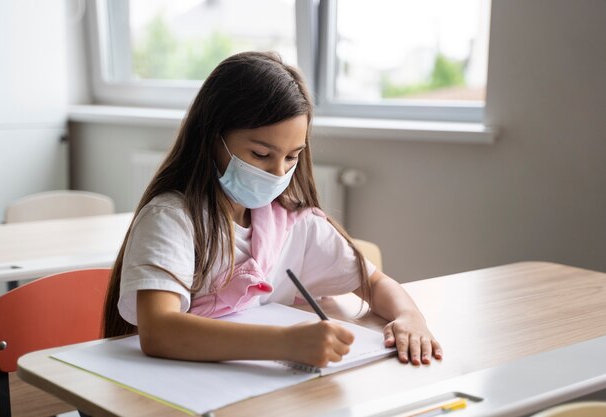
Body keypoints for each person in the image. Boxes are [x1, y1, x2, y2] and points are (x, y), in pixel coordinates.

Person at [103, 51, 442, 368]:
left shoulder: (294, 224)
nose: (279, 172)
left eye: (292, 156)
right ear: (211, 138)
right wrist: (285, 344)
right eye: (261, 155)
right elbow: (159, 330)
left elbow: (375, 282)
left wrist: (410, 316)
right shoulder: (172, 219)